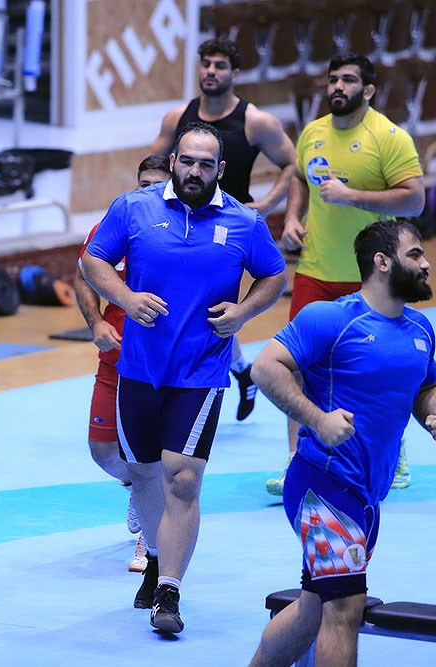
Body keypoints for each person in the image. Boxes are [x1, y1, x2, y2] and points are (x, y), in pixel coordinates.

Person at [82, 122, 288, 634]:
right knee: (144, 474)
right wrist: (125, 299)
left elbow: (274, 274)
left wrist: (243, 312)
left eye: (206, 164)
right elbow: (92, 261)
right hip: (138, 370)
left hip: (201, 372)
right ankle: (156, 558)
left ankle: (169, 591)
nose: (195, 171)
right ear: (174, 162)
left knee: (182, 477)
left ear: (221, 169)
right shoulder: (133, 208)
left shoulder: (243, 221)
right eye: (187, 161)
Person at [247, 219, 436, 667]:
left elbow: (428, 384)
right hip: (322, 485)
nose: (426, 263)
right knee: (344, 609)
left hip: (367, 496)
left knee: (313, 608)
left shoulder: (420, 329)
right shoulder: (332, 319)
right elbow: (265, 368)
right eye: (415, 254)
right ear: (382, 262)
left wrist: (434, 415)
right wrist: (318, 420)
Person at [267, 53, 426, 496]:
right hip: (316, 269)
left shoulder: (389, 137)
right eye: (333, 78)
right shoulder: (313, 132)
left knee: (378, 369)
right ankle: (297, 457)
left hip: (372, 278)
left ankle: (392, 447)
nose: (338, 86)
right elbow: (300, 179)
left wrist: (351, 195)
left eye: (349, 80)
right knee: (296, 365)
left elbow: (414, 200)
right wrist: (292, 217)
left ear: (368, 90)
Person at [151, 37, 297, 421]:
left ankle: (208, 384)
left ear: (235, 74)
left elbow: (292, 163)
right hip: (182, 227)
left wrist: (269, 204)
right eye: (206, 64)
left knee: (209, 310)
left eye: (219, 66)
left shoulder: (256, 122)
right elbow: (154, 166)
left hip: (230, 233)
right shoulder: (177, 117)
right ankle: (241, 371)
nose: (210, 71)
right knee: (198, 310)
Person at [73, 154, 171, 574]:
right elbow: (83, 275)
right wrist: (96, 322)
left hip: (162, 369)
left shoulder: (183, 231)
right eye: (143, 184)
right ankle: (138, 488)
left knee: (153, 459)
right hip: (114, 363)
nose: (149, 192)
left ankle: (150, 542)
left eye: (158, 185)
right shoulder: (115, 225)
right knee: (102, 452)